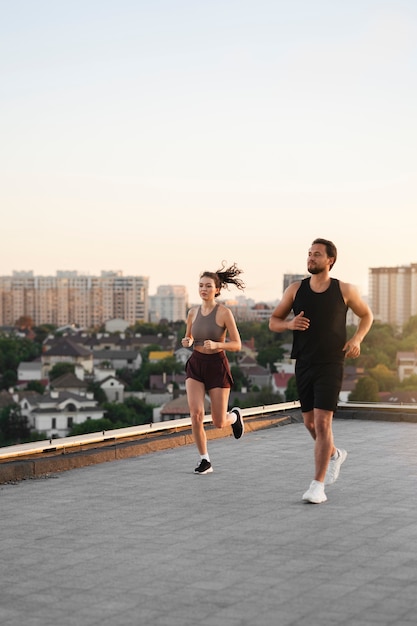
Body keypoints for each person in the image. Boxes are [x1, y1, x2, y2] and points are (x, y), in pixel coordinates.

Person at [269, 238, 373, 503]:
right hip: (304, 362)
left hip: (332, 363)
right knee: (309, 423)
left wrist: (357, 339)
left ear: (330, 261)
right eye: (309, 254)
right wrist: (289, 325)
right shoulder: (295, 290)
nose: (311, 258)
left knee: (323, 422)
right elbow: (274, 321)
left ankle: (318, 486)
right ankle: (335, 454)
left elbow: (366, 316)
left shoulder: (344, 290)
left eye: (317, 254)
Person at [182, 262, 245, 474]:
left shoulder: (224, 313)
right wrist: (187, 342)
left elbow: (237, 344)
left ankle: (234, 417)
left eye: (208, 286)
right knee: (196, 414)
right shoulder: (192, 312)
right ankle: (204, 460)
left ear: (217, 289)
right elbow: (189, 336)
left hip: (217, 365)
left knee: (219, 422)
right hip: (196, 365)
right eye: (201, 285)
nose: (204, 289)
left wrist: (218, 344)